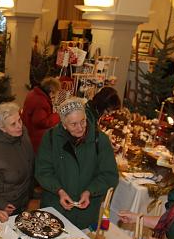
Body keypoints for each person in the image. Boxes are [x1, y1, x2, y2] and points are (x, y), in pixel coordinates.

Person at [35, 97, 119, 229]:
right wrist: (59, 191)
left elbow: (109, 175)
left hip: (86, 214)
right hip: (55, 209)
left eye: (83, 121)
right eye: (73, 124)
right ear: (63, 124)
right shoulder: (51, 138)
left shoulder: (100, 140)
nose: (80, 128)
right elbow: (43, 171)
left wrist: (90, 191)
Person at [0, 102, 34, 216]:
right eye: (13, 124)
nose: (19, 126)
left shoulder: (23, 133)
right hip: (5, 208)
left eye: (19, 120)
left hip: (23, 201)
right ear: (2, 128)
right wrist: (0, 203)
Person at [22, 77, 61, 153]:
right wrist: (58, 115)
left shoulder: (34, 93)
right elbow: (42, 122)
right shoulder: (41, 101)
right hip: (36, 137)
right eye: (56, 93)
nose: (56, 95)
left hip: (29, 130)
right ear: (51, 92)